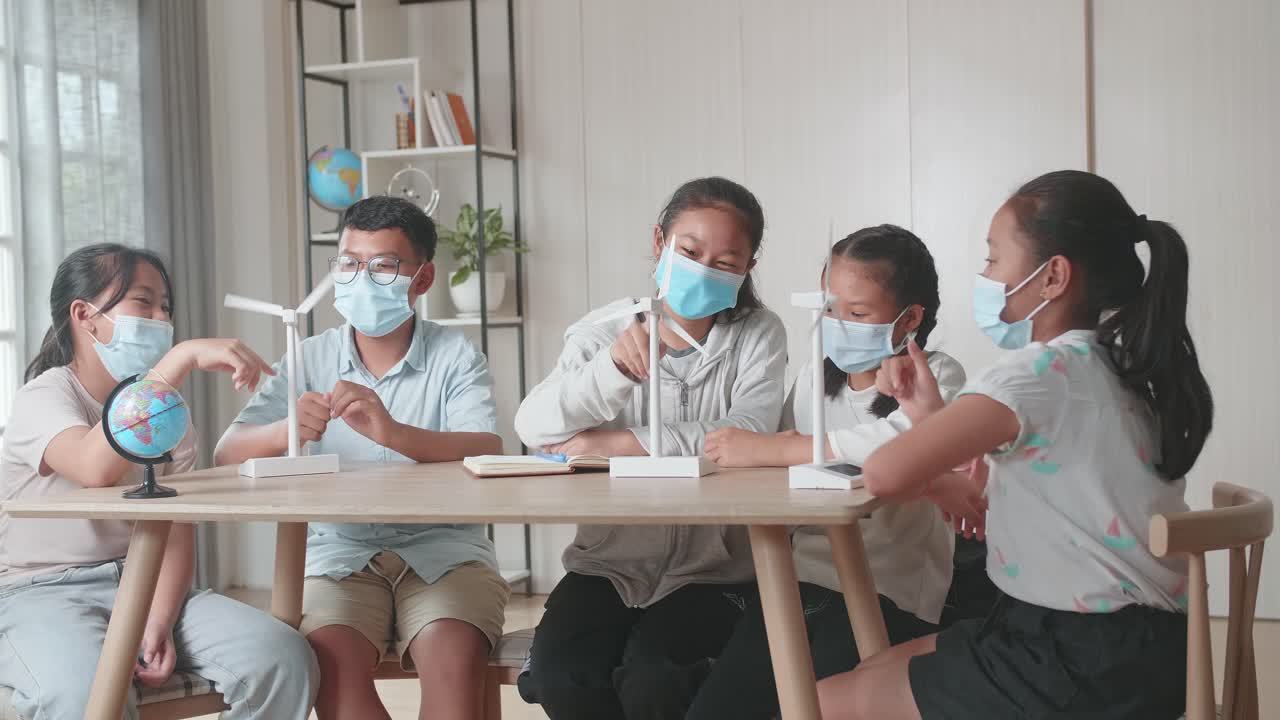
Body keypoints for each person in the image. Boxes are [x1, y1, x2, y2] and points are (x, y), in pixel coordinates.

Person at [818, 170, 1213, 720]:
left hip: (1080, 659)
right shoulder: (1116, 365)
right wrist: (930, 416)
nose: (984, 276)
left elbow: (884, 474)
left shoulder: (1035, 372)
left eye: (993, 259)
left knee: (814, 703)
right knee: (873, 670)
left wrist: (927, 461)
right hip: (1139, 647)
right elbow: (1028, 479)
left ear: (1052, 276)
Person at [214, 196, 509, 720]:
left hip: (446, 551)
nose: (361, 278)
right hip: (338, 556)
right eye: (349, 263)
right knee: (329, 667)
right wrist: (286, 430)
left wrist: (394, 433)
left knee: (453, 663)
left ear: (422, 279)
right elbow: (226, 452)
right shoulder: (308, 356)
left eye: (383, 266)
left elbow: (485, 448)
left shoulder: (455, 355)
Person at [0, 243, 317, 720]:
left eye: (165, 307)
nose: (160, 318)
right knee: (83, 694)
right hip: (40, 592)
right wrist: (179, 360)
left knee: (284, 657)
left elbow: (175, 531)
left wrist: (159, 620)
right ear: (85, 315)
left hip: (143, 581)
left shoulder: (169, 416)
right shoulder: (43, 397)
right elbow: (95, 468)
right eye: (143, 302)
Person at [512, 177, 787, 720]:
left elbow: (743, 437)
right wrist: (613, 369)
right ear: (659, 242)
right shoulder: (601, 332)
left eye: (727, 261)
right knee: (562, 677)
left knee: (658, 681)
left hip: (717, 570)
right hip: (607, 563)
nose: (706, 269)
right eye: (691, 251)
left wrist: (611, 444)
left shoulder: (758, 334)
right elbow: (533, 426)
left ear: (748, 268)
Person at [691, 224, 965, 719]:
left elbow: (893, 448)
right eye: (829, 308)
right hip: (799, 581)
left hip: (891, 590)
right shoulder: (814, 378)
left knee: (807, 708)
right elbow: (770, 459)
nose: (838, 322)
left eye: (857, 313)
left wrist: (780, 448)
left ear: (910, 319)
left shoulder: (937, 376)